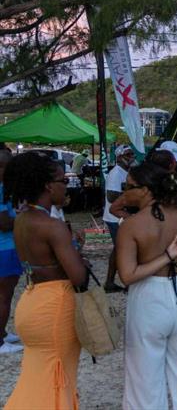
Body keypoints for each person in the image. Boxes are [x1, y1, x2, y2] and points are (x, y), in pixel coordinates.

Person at [116, 162, 177, 409]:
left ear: (146, 190)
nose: (125, 193)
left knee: (143, 378)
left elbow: (128, 275)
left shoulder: (132, 225)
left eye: (129, 187)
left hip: (149, 295)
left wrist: (165, 256)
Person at [2, 152, 88, 409]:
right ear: (49, 186)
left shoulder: (22, 219)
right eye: (64, 181)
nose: (67, 186)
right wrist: (77, 254)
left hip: (32, 300)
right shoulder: (52, 226)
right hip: (55, 305)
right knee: (58, 378)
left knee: (36, 375)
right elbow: (78, 277)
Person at [103, 145, 135, 293]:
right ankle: (126, 281)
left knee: (118, 250)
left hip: (119, 216)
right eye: (128, 154)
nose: (131, 157)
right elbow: (111, 196)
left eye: (132, 154)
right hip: (115, 217)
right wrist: (129, 197)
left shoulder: (125, 172)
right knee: (123, 250)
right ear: (120, 157)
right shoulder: (116, 173)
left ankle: (110, 282)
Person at [0, 149, 22, 354]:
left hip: (7, 247)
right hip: (4, 248)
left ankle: (3, 333)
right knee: (4, 296)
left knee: (7, 294)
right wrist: (25, 218)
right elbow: (4, 223)